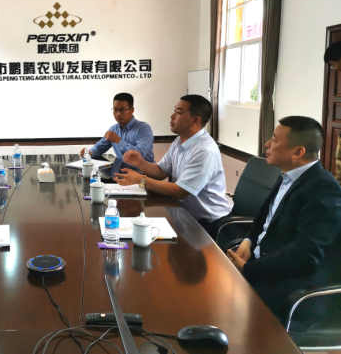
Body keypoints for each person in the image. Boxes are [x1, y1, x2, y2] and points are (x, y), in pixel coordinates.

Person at [227, 116, 341, 317]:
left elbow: (305, 254)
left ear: (298, 152)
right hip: (260, 263)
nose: (267, 144)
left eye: (274, 139)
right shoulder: (288, 175)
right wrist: (248, 240)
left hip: (289, 286)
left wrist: (249, 269)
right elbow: (265, 219)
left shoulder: (323, 189)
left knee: (222, 307)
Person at [116, 95, 232, 232]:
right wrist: (140, 162)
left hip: (209, 222)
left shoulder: (204, 150)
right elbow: (160, 171)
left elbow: (180, 191)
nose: (172, 116)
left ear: (195, 120)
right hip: (183, 212)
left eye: (179, 112)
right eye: (174, 111)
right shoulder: (180, 140)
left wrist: (141, 180)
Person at [79, 93, 154, 163]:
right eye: (115, 110)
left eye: (122, 110)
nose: (118, 114)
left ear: (132, 110)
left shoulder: (144, 128)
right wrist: (89, 153)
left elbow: (139, 154)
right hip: (123, 170)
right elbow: (99, 148)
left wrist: (118, 140)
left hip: (143, 171)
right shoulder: (114, 129)